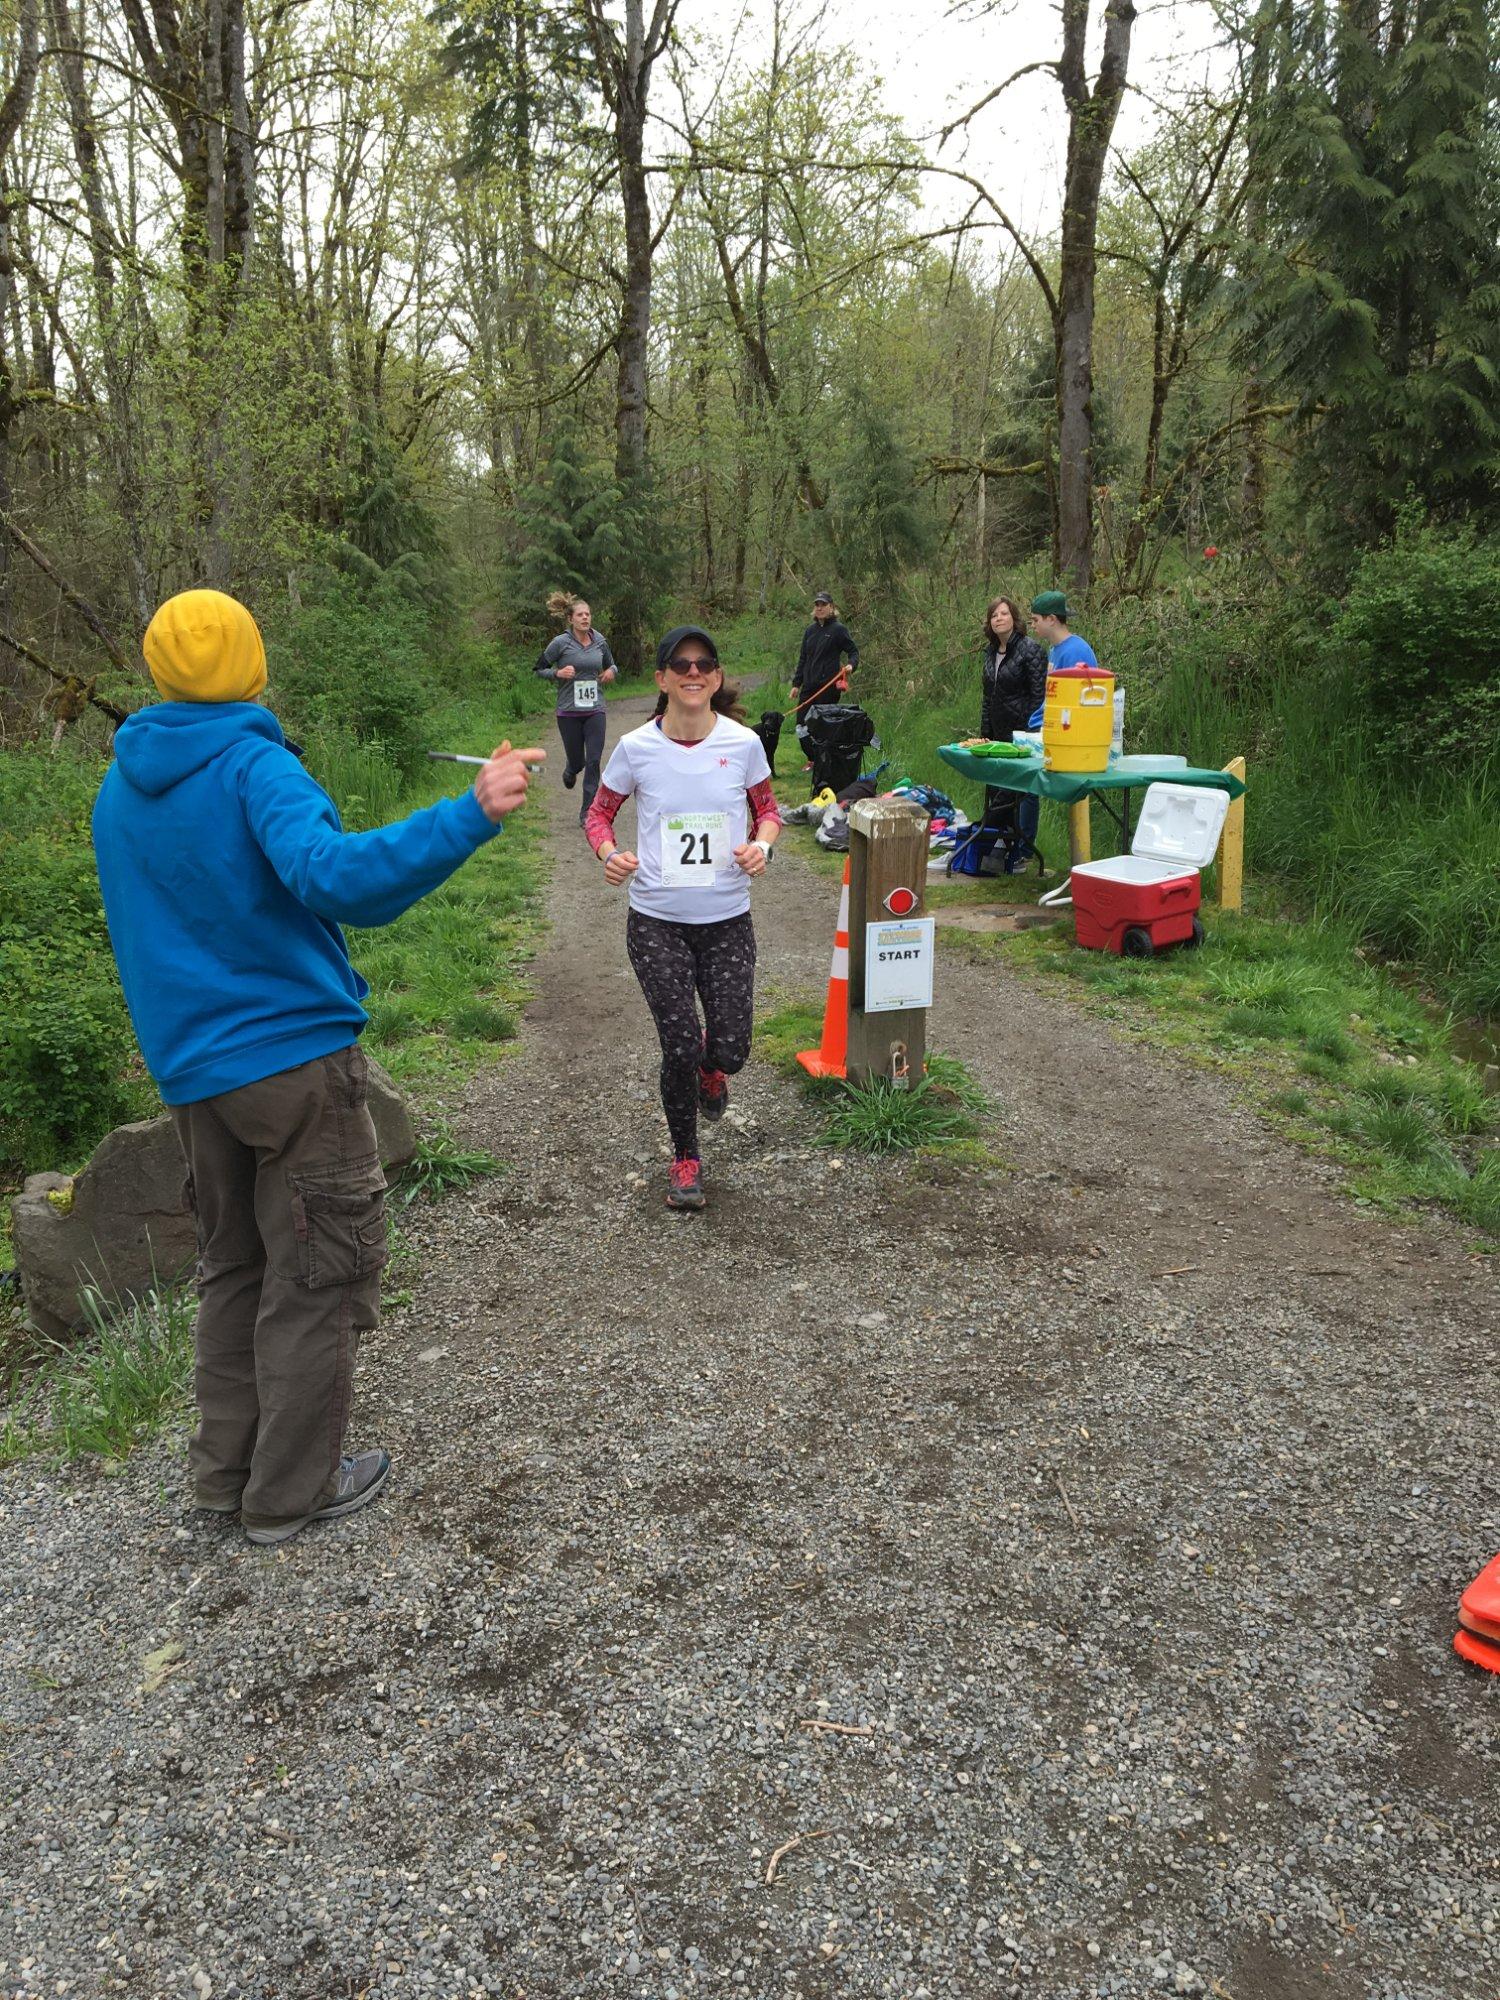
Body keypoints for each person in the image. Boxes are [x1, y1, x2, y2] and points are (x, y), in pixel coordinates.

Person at [92, 588, 543, 1547]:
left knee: (234, 1268)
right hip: (293, 1065)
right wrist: (469, 813)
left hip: (193, 1075)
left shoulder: (121, 786)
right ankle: (291, 1493)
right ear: (252, 666)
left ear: (159, 669)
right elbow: (336, 878)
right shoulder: (256, 766)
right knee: (317, 1276)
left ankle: (223, 1478)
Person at [584, 625, 779, 1212]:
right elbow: (598, 815)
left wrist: (761, 848)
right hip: (656, 921)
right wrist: (609, 854)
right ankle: (686, 1157)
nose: (694, 673)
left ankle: (713, 1071)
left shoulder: (744, 743)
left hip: (726, 920)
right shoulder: (636, 748)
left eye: (704, 664)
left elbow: (768, 812)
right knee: (678, 1044)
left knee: (731, 1047)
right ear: (663, 678)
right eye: (681, 664)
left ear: (715, 679)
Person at [534, 591, 617, 821]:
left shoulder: (600, 640)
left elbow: (612, 665)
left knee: (593, 761)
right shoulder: (560, 643)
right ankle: (571, 770)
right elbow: (538, 669)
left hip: (595, 709)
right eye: (580, 614)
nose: (585, 618)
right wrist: (557, 672)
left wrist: (610, 671)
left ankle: (587, 812)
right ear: (571, 619)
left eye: (588, 614)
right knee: (578, 762)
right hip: (568, 711)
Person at [980, 594, 1048, 872]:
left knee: (1025, 791)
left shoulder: (1030, 650)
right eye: (994, 615)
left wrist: (1031, 734)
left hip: (1023, 733)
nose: (999, 618)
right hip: (997, 733)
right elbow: (987, 697)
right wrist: (984, 733)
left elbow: (1038, 696)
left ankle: (1024, 851)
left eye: (1004, 613)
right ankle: (999, 846)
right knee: (998, 788)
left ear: (1014, 618)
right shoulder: (989, 653)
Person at [792, 592, 859, 755]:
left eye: (823, 605)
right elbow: (803, 659)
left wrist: (851, 665)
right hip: (809, 685)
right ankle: (812, 757)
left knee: (822, 723)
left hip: (828, 686)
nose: (820, 608)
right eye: (817, 605)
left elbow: (853, 651)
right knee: (801, 723)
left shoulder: (838, 630)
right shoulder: (810, 631)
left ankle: (823, 758)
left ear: (831, 608)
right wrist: (796, 684)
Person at [1029, 590, 1099, 672]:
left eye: (1036, 620)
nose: (1032, 625)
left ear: (1051, 619)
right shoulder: (1055, 649)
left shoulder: (1075, 652)